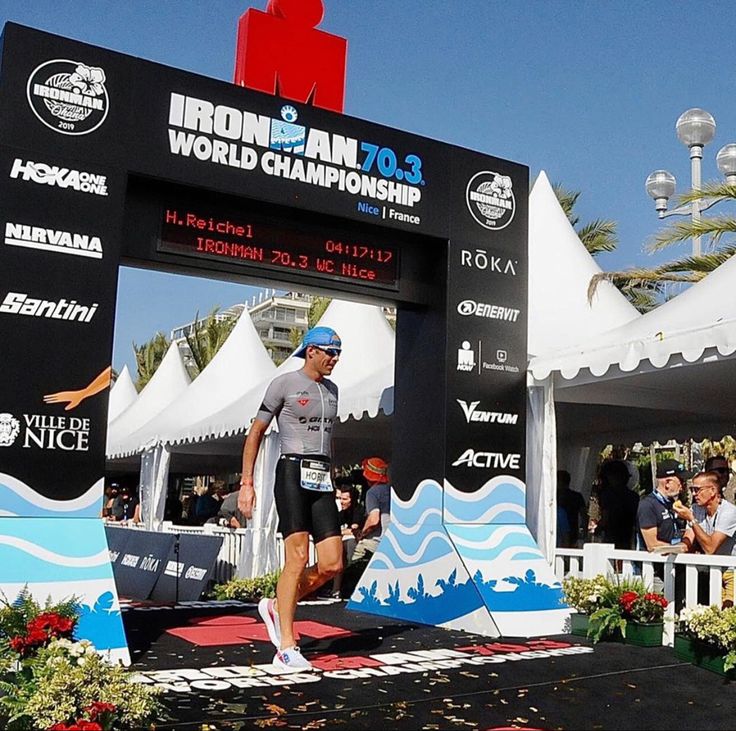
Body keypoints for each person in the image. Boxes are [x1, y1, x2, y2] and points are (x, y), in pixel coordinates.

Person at [238, 325, 343, 672]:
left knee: (332, 564)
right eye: (330, 351)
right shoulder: (283, 383)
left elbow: (328, 439)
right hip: (292, 473)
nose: (335, 358)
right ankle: (286, 645)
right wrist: (247, 483)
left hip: (321, 477)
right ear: (310, 350)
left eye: (338, 352)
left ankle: (275, 606)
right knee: (296, 558)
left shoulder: (333, 390)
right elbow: (255, 433)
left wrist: (334, 478)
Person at [673, 470, 736, 608]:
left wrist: (691, 519)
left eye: (697, 490)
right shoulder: (696, 509)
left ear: (712, 490)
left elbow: (710, 548)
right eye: (692, 489)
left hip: (731, 572)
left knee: (728, 616)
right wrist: (674, 548)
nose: (694, 494)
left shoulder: (729, 512)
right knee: (712, 614)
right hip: (711, 571)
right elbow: (688, 540)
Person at [637, 459, 691, 552]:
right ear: (667, 483)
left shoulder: (672, 503)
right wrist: (679, 549)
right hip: (653, 564)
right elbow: (652, 545)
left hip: (671, 562)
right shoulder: (647, 505)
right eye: (681, 481)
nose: (683, 487)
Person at [351, 457, 392, 563]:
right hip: (391, 541)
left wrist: (361, 534)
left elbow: (373, 520)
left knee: (354, 563)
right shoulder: (391, 490)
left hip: (377, 542)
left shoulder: (373, 492)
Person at [330, 485, 365, 598]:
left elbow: (354, 530)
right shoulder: (342, 513)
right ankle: (335, 590)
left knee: (348, 547)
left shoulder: (359, 510)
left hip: (358, 542)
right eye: (340, 498)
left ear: (352, 499)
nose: (341, 502)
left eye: (345, 499)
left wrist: (341, 531)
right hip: (345, 542)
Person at [597, 460, 639, 550]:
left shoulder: (607, 494)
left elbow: (605, 517)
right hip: (628, 536)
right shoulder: (634, 496)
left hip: (611, 537)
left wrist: (598, 528)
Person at [556, 470, 586, 548]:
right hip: (572, 532)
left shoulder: (553, 496)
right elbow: (584, 516)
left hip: (557, 532)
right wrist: (584, 533)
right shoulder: (577, 496)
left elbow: (584, 516)